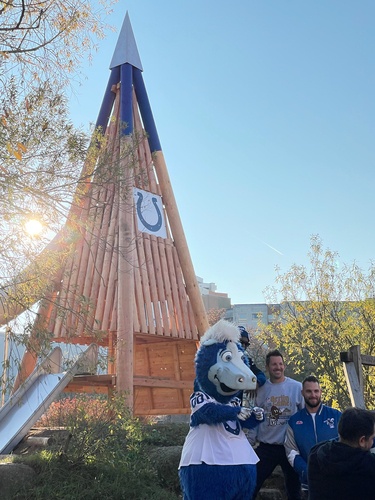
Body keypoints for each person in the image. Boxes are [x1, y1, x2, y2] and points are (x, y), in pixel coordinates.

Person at [248, 349, 304, 500]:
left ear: (284, 366)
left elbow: (305, 416)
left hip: (290, 447)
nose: (278, 367)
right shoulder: (261, 390)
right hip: (267, 446)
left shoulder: (297, 387)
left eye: (280, 364)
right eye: (274, 364)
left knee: (294, 490)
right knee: (252, 483)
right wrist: (249, 442)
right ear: (267, 367)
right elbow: (255, 417)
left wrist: (305, 442)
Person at [284, 375, 341, 491]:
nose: (313, 395)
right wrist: (306, 470)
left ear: (320, 392)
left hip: (336, 480)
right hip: (308, 484)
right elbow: (291, 451)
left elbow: (348, 444)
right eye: (309, 391)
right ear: (302, 393)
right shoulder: (294, 421)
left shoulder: (337, 416)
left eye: (316, 391)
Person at [308, 407, 375, 500]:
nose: (372, 442)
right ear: (362, 440)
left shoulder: (316, 455)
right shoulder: (369, 464)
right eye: (372, 438)